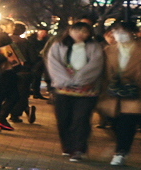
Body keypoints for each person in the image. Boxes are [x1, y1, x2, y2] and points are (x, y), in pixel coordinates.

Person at [94, 23, 141, 166]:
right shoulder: (108, 50)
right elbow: (102, 72)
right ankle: (121, 148)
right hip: (112, 93)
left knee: (127, 123)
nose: (119, 34)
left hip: (136, 94)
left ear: (132, 33)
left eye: (122, 31)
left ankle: (121, 151)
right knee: (114, 123)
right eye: (115, 32)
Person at [45, 20, 106, 160]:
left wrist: (80, 79)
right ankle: (67, 146)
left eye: (84, 31)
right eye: (77, 30)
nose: (80, 34)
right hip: (62, 90)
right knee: (63, 119)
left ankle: (78, 149)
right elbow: (53, 64)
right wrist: (65, 80)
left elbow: (95, 65)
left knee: (81, 119)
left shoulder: (94, 46)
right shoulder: (58, 45)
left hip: (87, 91)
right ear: (70, 31)